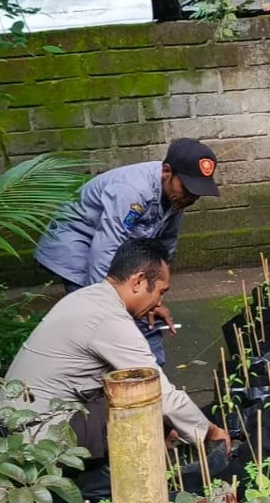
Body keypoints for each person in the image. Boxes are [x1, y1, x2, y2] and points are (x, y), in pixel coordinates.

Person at [0, 238, 231, 460]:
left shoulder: (88, 298)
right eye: (160, 292)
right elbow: (159, 392)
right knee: (145, 405)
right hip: (36, 436)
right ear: (138, 282)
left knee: (140, 401)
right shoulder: (108, 318)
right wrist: (210, 433)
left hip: (19, 424)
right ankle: (103, 489)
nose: (159, 302)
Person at [34, 137, 220, 365]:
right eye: (188, 189)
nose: (191, 198)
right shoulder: (131, 190)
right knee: (97, 319)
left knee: (141, 312)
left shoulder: (176, 199)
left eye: (197, 193)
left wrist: (155, 299)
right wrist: (109, 307)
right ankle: (95, 376)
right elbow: (105, 251)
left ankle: (149, 379)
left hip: (112, 250)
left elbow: (163, 251)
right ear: (167, 172)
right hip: (77, 246)